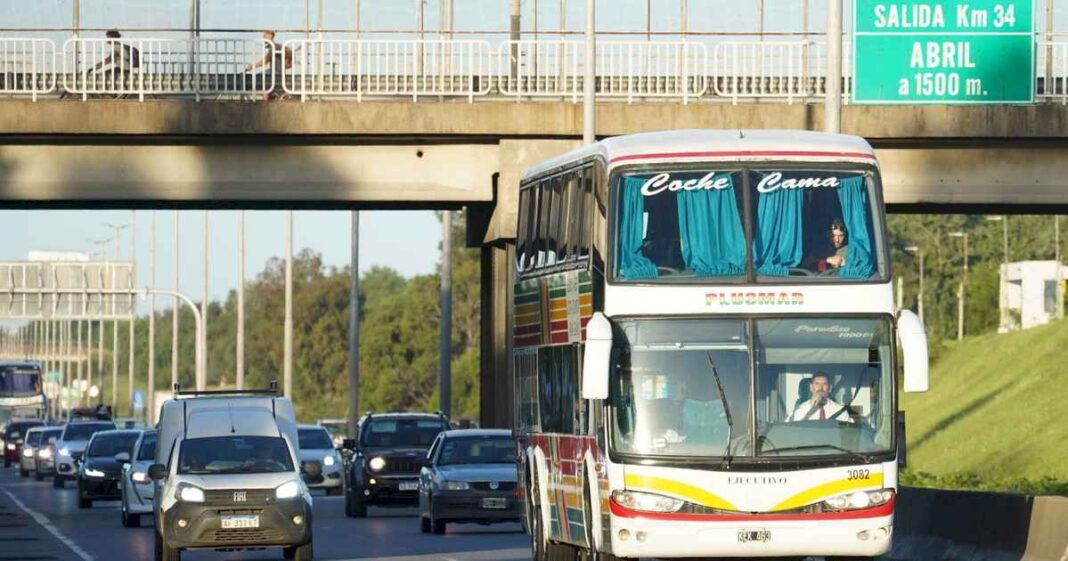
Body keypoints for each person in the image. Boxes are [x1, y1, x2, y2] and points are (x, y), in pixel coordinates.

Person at [245, 30, 294, 100]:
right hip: (278, 72)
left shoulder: (274, 46)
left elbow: (265, 60)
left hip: (275, 72)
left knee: (258, 79)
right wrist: (289, 62)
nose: (263, 38)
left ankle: (266, 100)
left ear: (270, 35)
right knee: (266, 85)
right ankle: (273, 95)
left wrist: (252, 66)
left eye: (264, 36)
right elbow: (289, 52)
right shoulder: (277, 46)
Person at [786, 372, 853, 422]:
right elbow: (788, 423)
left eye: (824, 384)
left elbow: (849, 432)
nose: (820, 388)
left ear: (830, 388)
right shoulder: (801, 408)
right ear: (811, 387)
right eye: (817, 384)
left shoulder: (839, 410)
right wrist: (810, 406)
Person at [90, 30, 140, 96]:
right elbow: (110, 59)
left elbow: (110, 59)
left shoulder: (117, 47)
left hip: (123, 69)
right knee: (108, 75)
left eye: (108, 37)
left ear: (112, 38)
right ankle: (112, 93)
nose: (107, 40)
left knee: (104, 75)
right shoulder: (118, 46)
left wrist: (96, 67)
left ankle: (111, 93)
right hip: (124, 68)